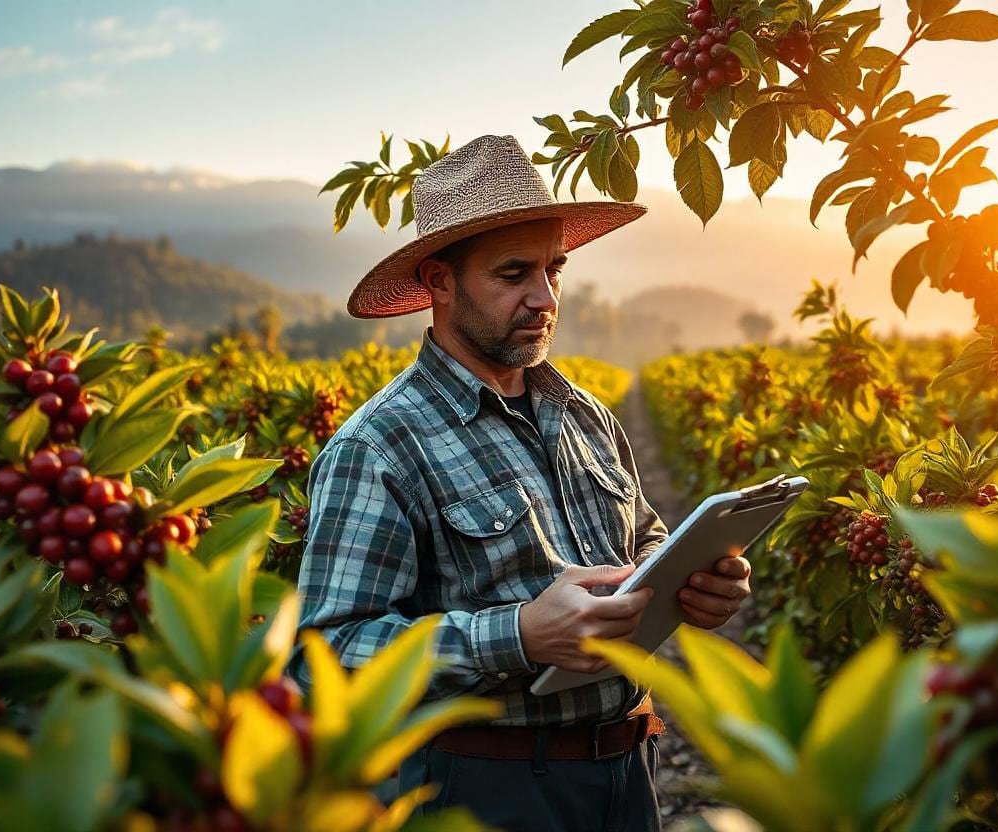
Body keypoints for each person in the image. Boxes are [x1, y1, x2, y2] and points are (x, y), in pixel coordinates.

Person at [288, 134, 753, 831]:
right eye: (513, 275)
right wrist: (517, 636)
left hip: (627, 770)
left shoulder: (583, 414)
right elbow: (324, 655)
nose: (544, 297)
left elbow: (645, 536)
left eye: (554, 270)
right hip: (486, 788)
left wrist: (692, 578)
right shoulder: (380, 445)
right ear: (439, 282)